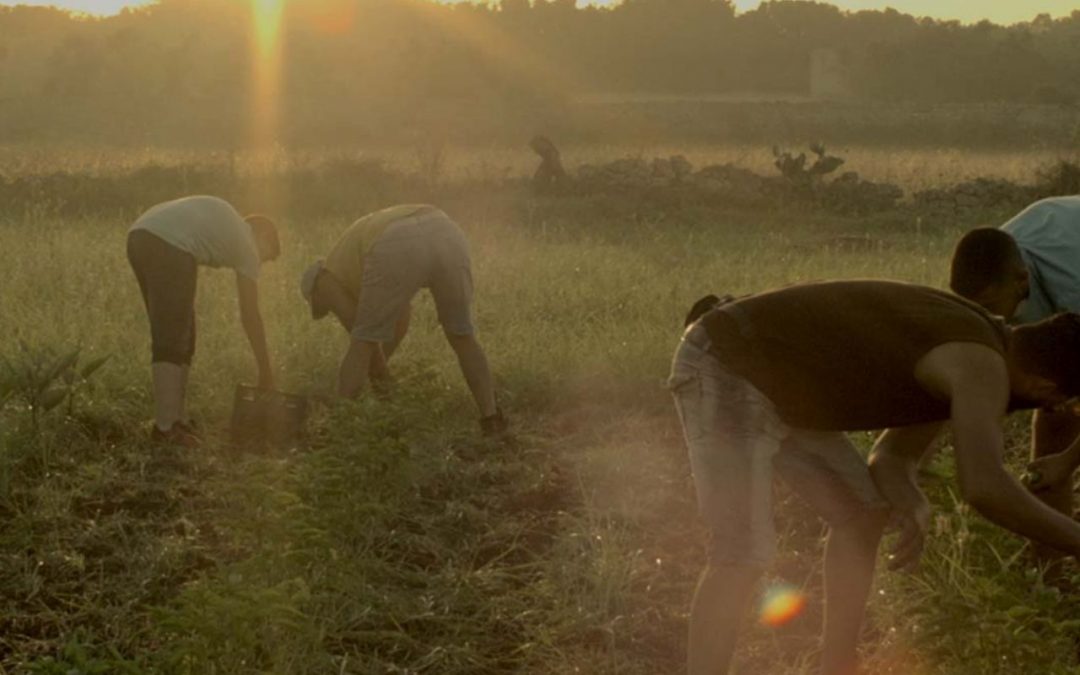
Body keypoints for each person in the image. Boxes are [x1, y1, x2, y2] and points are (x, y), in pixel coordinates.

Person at [668, 280, 1080, 675]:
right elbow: (985, 487)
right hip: (727, 361)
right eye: (1063, 403)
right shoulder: (982, 365)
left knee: (863, 514)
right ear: (1047, 388)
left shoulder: (979, 352)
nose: (1059, 412)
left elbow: (893, 457)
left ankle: (838, 669)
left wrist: (912, 498)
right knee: (742, 549)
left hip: (781, 387)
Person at [300, 204, 506, 435]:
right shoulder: (349, 255)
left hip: (396, 242)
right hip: (446, 230)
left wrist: (385, 388)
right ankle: (492, 419)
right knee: (462, 335)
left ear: (315, 290)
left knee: (361, 342)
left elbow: (367, 344)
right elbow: (402, 315)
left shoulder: (325, 281)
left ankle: (339, 427)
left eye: (321, 308)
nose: (328, 310)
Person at [949, 195, 1080, 557]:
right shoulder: (996, 261)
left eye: (991, 308)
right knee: (1056, 414)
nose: (988, 320)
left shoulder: (1072, 282)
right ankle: (1049, 573)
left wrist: (1068, 460)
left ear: (1021, 281)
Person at [127, 195, 279, 447]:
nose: (263, 263)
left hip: (139, 236)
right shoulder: (248, 243)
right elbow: (250, 314)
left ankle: (176, 419)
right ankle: (166, 428)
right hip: (168, 243)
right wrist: (265, 370)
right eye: (269, 255)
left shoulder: (227, 224)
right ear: (262, 236)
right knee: (172, 336)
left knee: (181, 331)